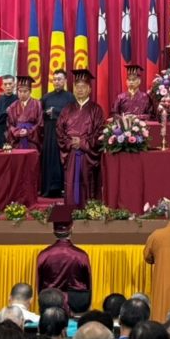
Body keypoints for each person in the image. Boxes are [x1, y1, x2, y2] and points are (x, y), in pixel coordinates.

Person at [57, 69, 106, 208]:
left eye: (83, 87)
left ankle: (89, 209)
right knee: (71, 181)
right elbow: (59, 130)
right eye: (77, 87)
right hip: (71, 153)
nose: (79, 90)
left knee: (87, 182)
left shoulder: (96, 109)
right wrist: (70, 143)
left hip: (87, 155)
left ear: (89, 89)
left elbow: (100, 132)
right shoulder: (67, 109)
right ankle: (71, 208)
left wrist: (83, 143)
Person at [37, 205, 92, 313]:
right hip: (76, 305)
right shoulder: (81, 256)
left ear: (53, 230)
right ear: (72, 228)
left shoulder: (43, 255)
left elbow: (40, 285)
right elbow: (87, 284)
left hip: (50, 304)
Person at [41, 69, 73, 197]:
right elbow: (39, 114)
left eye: (59, 79)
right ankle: (48, 189)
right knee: (49, 159)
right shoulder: (46, 97)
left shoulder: (70, 97)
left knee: (62, 160)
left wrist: (55, 112)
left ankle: (62, 188)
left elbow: (72, 114)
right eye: (54, 79)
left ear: (65, 81)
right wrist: (46, 113)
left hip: (64, 134)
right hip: (49, 133)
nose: (56, 82)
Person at [5, 76, 43, 152]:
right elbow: (9, 125)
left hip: (32, 141)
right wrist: (18, 132)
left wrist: (28, 132)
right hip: (17, 141)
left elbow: (40, 124)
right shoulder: (12, 106)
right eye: (20, 91)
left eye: (25, 91)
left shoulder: (37, 104)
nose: (22, 94)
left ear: (30, 91)